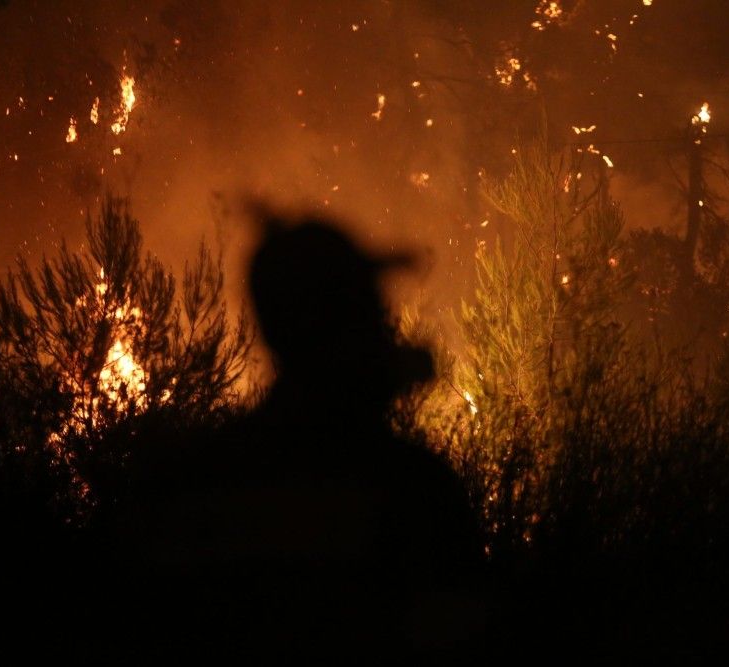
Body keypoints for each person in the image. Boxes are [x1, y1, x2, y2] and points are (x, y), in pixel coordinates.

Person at [117, 212, 483, 663]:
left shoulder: (192, 481)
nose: (385, 328)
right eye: (371, 310)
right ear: (352, 324)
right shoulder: (411, 490)